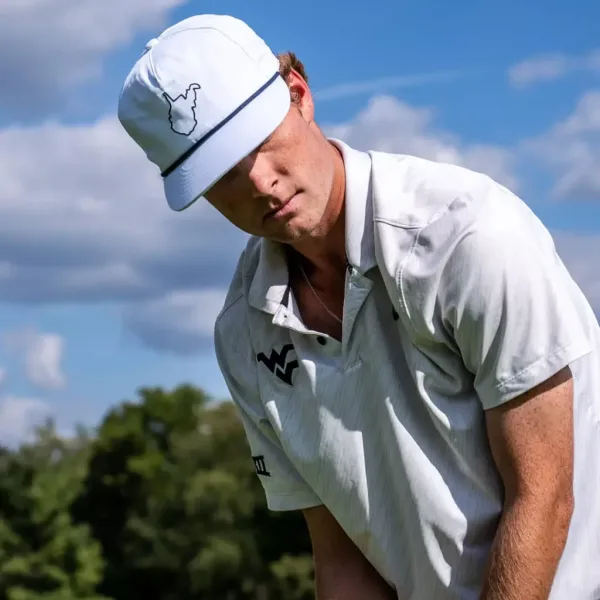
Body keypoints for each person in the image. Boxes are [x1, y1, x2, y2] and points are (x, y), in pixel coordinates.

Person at [117, 13, 600, 600]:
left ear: (298, 92)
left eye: (256, 142)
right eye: (220, 174)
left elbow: (545, 495)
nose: (260, 183)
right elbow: (343, 558)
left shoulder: (469, 237)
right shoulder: (243, 333)